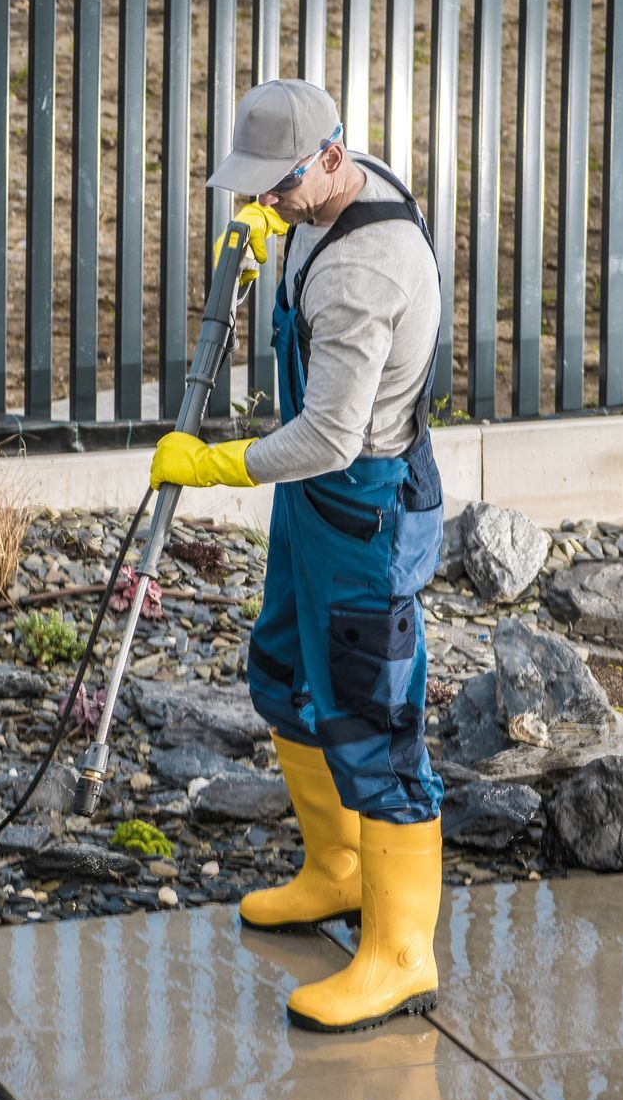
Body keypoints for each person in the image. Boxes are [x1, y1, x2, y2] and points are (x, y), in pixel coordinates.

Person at [149, 78, 445, 1034]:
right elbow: (297, 236)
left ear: (330, 156)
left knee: (375, 722)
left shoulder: (366, 273)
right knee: (280, 675)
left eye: (275, 189)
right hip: (311, 512)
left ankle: (400, 954)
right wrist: (276, 241)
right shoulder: (334, 193)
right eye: (254, 190)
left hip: (361, 507)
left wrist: (215, 462)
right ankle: (336, 869)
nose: (262, 204)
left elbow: (329, 437)